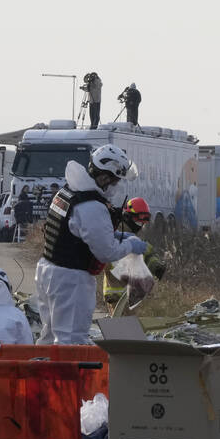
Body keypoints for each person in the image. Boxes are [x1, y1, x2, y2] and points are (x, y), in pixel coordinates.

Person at [35, 144, 147, 345]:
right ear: (104, 178)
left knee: (50, 335)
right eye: (116, 180)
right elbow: (106, 252)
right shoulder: (92, 206)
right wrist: (130, 245)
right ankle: (66, 377)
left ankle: (43, 372)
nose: (117, 186)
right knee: (71, 340)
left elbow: (78, 232)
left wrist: (120, 236)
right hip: (70, 279)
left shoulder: (68, 191)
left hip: (48, 268)